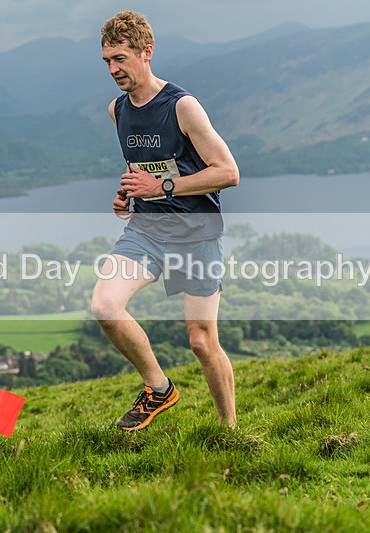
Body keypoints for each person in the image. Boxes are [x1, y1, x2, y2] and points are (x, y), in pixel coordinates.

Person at [92, 11, 240, 431]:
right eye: (106, 61)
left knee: (201, 340)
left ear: (146, 52)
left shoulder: (182, 106)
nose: (113, 69)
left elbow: (228, 172)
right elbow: (146, 169)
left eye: (120, 58)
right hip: (147, 230)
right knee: (105, 305)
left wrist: (161, 188)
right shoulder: (117, 110)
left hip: (197, 232)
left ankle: (229, 430)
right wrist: (127, 195)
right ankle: (158, 388)